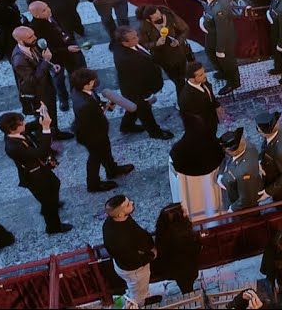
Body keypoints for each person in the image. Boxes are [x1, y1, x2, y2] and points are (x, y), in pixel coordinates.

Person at [0, 109, 72, 234]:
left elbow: (31, 125)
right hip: (35, 176)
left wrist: (43, 116)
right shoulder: (13, 147)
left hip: (41, 169)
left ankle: (51, 204)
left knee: (55, 185)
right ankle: (53, 227)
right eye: (21, 123)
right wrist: (46, 128)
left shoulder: (16, 132)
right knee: (48, 200)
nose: (24, 123)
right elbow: (40, 152)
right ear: (13, 129)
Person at [172, 63, 226, 219]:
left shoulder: (203, 83)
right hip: (201, 129)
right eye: (201, 75)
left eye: (204, 73)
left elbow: (210, 95)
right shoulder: (186, 97)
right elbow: (192, 120)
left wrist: (217, 106)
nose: (205, 76)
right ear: (191, 78)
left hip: (210, 122)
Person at [70, 68, 134, 191]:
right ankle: (93, 184)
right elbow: (91, 120)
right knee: (95, 157)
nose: (95, 82)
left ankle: (112, 170)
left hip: (97, 131)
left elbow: (96, 103)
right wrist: (102, 109)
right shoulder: (84, 105)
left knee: (105, 150)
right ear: (86, 84)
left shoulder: (81, 91)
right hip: (92, 135)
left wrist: (105, 105)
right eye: (92, 81)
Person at [112, 27, 175, 140]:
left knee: (134, 108)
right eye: (133, 38)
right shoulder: (129, 59)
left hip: (132, 88)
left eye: (136, 35)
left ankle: (126, 126)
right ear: (124, 43)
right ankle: (155, 132)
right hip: (137, 91)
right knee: (145, 112)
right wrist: (147, 95)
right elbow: (138, 80)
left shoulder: (123, 46)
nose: (138, 38)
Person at [102, 195, 156, 306]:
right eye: (128, 204)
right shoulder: (119, 239)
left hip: (126, 266)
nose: (132, 202)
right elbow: (132, 260)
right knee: (138, 294)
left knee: (139, 289)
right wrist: (151, 255)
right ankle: (140, 304)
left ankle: (144, 297)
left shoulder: (116, 220)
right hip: (134, 270)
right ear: (120, 214)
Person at [197, 0, 239, 94]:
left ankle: (234, 82)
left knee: (227, 61)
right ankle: (223, 72)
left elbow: (222, 30)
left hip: (222, 38)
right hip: (211, 32)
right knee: (210, 52)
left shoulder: (220, 8)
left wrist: (220, 49)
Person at [151, 203, 203, 294]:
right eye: (183, 211)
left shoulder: (163, 233)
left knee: (184, 284)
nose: (186, 212)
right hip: (185, 267)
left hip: (173, 268)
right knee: (187, 287)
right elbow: (194, 249)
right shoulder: (183, 234)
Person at [218, 127, 264, 212]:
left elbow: (246, 199)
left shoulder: (245, 171)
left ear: (229, 150)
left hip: (244, 210)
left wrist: (232, 209)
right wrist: (221, 175)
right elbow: (226, 160)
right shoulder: (247, 147)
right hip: (230, 187)